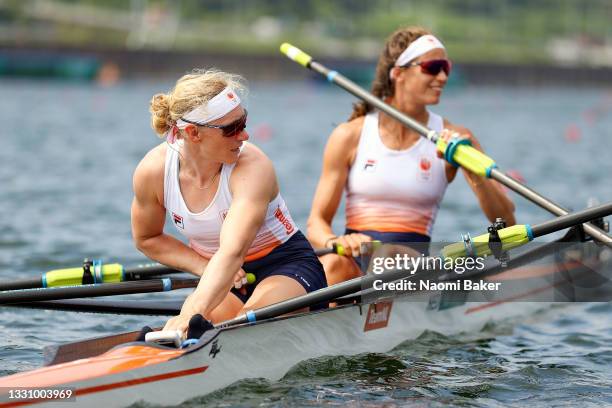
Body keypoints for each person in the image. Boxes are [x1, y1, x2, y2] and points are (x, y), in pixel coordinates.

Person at [307, 27, 516, 285]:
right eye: (433, 67)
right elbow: (316, 222)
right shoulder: (349, 135)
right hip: (356, 258)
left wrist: (471, 169)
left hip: (413, 267)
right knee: (332, 263)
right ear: (398, 73)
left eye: (446, 68)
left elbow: (506, 220)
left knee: (389, 254)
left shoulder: (454, 138)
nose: (442, 77)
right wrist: (335, 241)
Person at [131, 69, 327, 336]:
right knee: (192, 332)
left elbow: (233, 251)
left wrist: (190, 313)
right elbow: (148, 238)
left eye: (243, 122)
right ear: (193, 133)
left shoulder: (253, 167)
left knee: (244, 324)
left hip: (285, 265)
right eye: (232, 129)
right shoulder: (153, 171)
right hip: (222, 276)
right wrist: (202, 266)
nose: (244, 135)